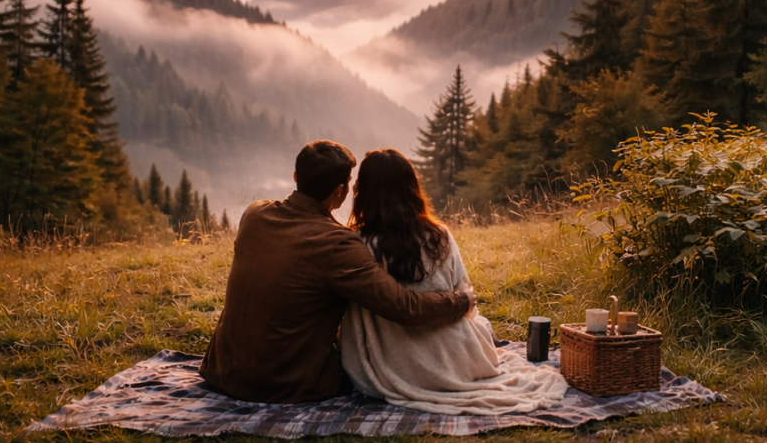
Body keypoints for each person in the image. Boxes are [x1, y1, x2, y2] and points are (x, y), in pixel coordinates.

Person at [199, 141, 474, 404]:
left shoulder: (254, 214)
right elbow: (403, 306)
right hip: (285, 385)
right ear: (341, 191)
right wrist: (462, 301)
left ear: (295, 175)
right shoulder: (338, 244)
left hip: (221, 371)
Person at [340, 149, 567, 415]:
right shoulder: (439, 236)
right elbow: (465, 300)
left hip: (388, 364)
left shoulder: (357, 244)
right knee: (480, 326)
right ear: (412, 188)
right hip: (452, 359)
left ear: (364, 191)